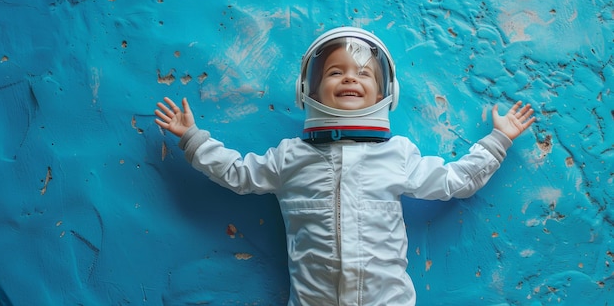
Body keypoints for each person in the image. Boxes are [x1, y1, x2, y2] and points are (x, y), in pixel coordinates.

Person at [154, 27, 536, 306]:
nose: (350, 76)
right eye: (335, 72)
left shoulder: (398, 154)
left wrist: (497, 140)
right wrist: (193, 139)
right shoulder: (290, 156)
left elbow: (454, 181)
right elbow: (237, 173)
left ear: (386, 93)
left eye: (364, 72)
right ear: (309, 91)